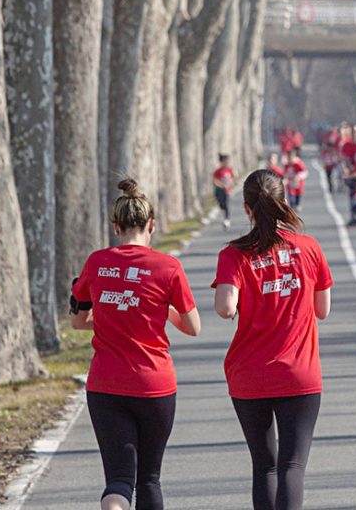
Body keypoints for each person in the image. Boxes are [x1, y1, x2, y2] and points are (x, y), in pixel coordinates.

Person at [70, 178, 201, 510]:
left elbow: (78, 321)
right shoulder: (168, 267)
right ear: (152, 225)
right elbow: (193, 326)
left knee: (118, 479)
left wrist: (116, 312)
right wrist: (162, 310)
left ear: (116, 227)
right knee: (149, 479)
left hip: (106, 385)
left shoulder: (97, 262)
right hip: (154, 385)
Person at [213, 169, 333, 510]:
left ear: (246, 208)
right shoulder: (308, 248)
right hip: (300, 373)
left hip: (249, 374)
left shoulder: (234, 254)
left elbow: (224, 308)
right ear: (284, 202)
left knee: (264, 465)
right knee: (292, 465)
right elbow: (322, 309)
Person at [213, 153, 236, 229]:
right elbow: (214, 181)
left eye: (227, 162)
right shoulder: (217, 171)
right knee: (221, 205)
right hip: (219, 190)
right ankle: (223, 213)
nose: (227, 163)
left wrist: (230, 184)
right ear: (221, 162)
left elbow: (234, 178)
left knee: (226, 204)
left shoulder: (230, 170)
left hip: (227, 191)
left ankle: (226, 220)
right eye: (225, 162)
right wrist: (222, 185)